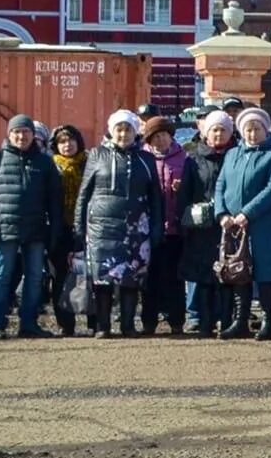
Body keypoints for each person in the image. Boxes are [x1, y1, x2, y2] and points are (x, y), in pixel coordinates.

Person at [0, 115, 63, 340]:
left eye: (26, 132)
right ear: (9, 134)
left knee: (34, 278)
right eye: (17, 132)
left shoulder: (44, 162)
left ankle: (29, 324)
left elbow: (55, 200)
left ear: (34, 135)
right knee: (2, 276)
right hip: (6, 229)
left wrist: (54, 232)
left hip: (35, 230)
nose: (21, 136)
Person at [74, 110, 161, 336]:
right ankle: (103, 326)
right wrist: (78, 224)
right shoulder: (97, 154)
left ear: (135, 132)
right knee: (103, 278)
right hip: (101, 227)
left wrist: (157, 226)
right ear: (112, 131)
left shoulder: (146, 158)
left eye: (128, 129)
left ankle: (128, 325)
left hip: (135, 227)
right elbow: (84, 193)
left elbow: (156, 197)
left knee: (131, 277)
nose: (123, 134)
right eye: (119, 129)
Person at [216, 108, 271, 340]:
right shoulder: (232, 154)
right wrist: (222, 213)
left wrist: (248, 213)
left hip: (266, 225)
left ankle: (268, 321)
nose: (252, 134)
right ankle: (240, 320)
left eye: (257, 129)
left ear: (265, 129)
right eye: (248, 129)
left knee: (266, 273)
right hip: (233, 226)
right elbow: (221, 185)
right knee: (239, 271)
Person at [180, 110, 237, 338]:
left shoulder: (235, 155)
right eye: (214, 129)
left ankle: (226, 320)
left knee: (227, 274)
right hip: (201, 226)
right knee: (203, 275)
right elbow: (185, 193)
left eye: (223, 130)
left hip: (228, 224)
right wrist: (185, 222)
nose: (218, 134)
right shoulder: (194, 159)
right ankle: (203, 322)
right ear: (206, 132)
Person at [142, 116, 188, 337]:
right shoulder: (143, 158)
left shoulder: (184, 158)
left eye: (163, 135)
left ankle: (176, 321)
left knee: (175, 277)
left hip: (176, 228)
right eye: (155, 137)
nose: (160, 141)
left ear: (171, 136)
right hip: (149, 228)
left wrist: (183, 189)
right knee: (150, 277)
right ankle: (148, 322)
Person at [46, 124, 87, 335]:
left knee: (89, 275)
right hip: (59, 227)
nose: (67, 145)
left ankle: (95, 321)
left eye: (70, 140)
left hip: (87, 227)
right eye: (62, 141)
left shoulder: (89, 163)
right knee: (60, 277)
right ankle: (65, 324)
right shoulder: (50, 166)